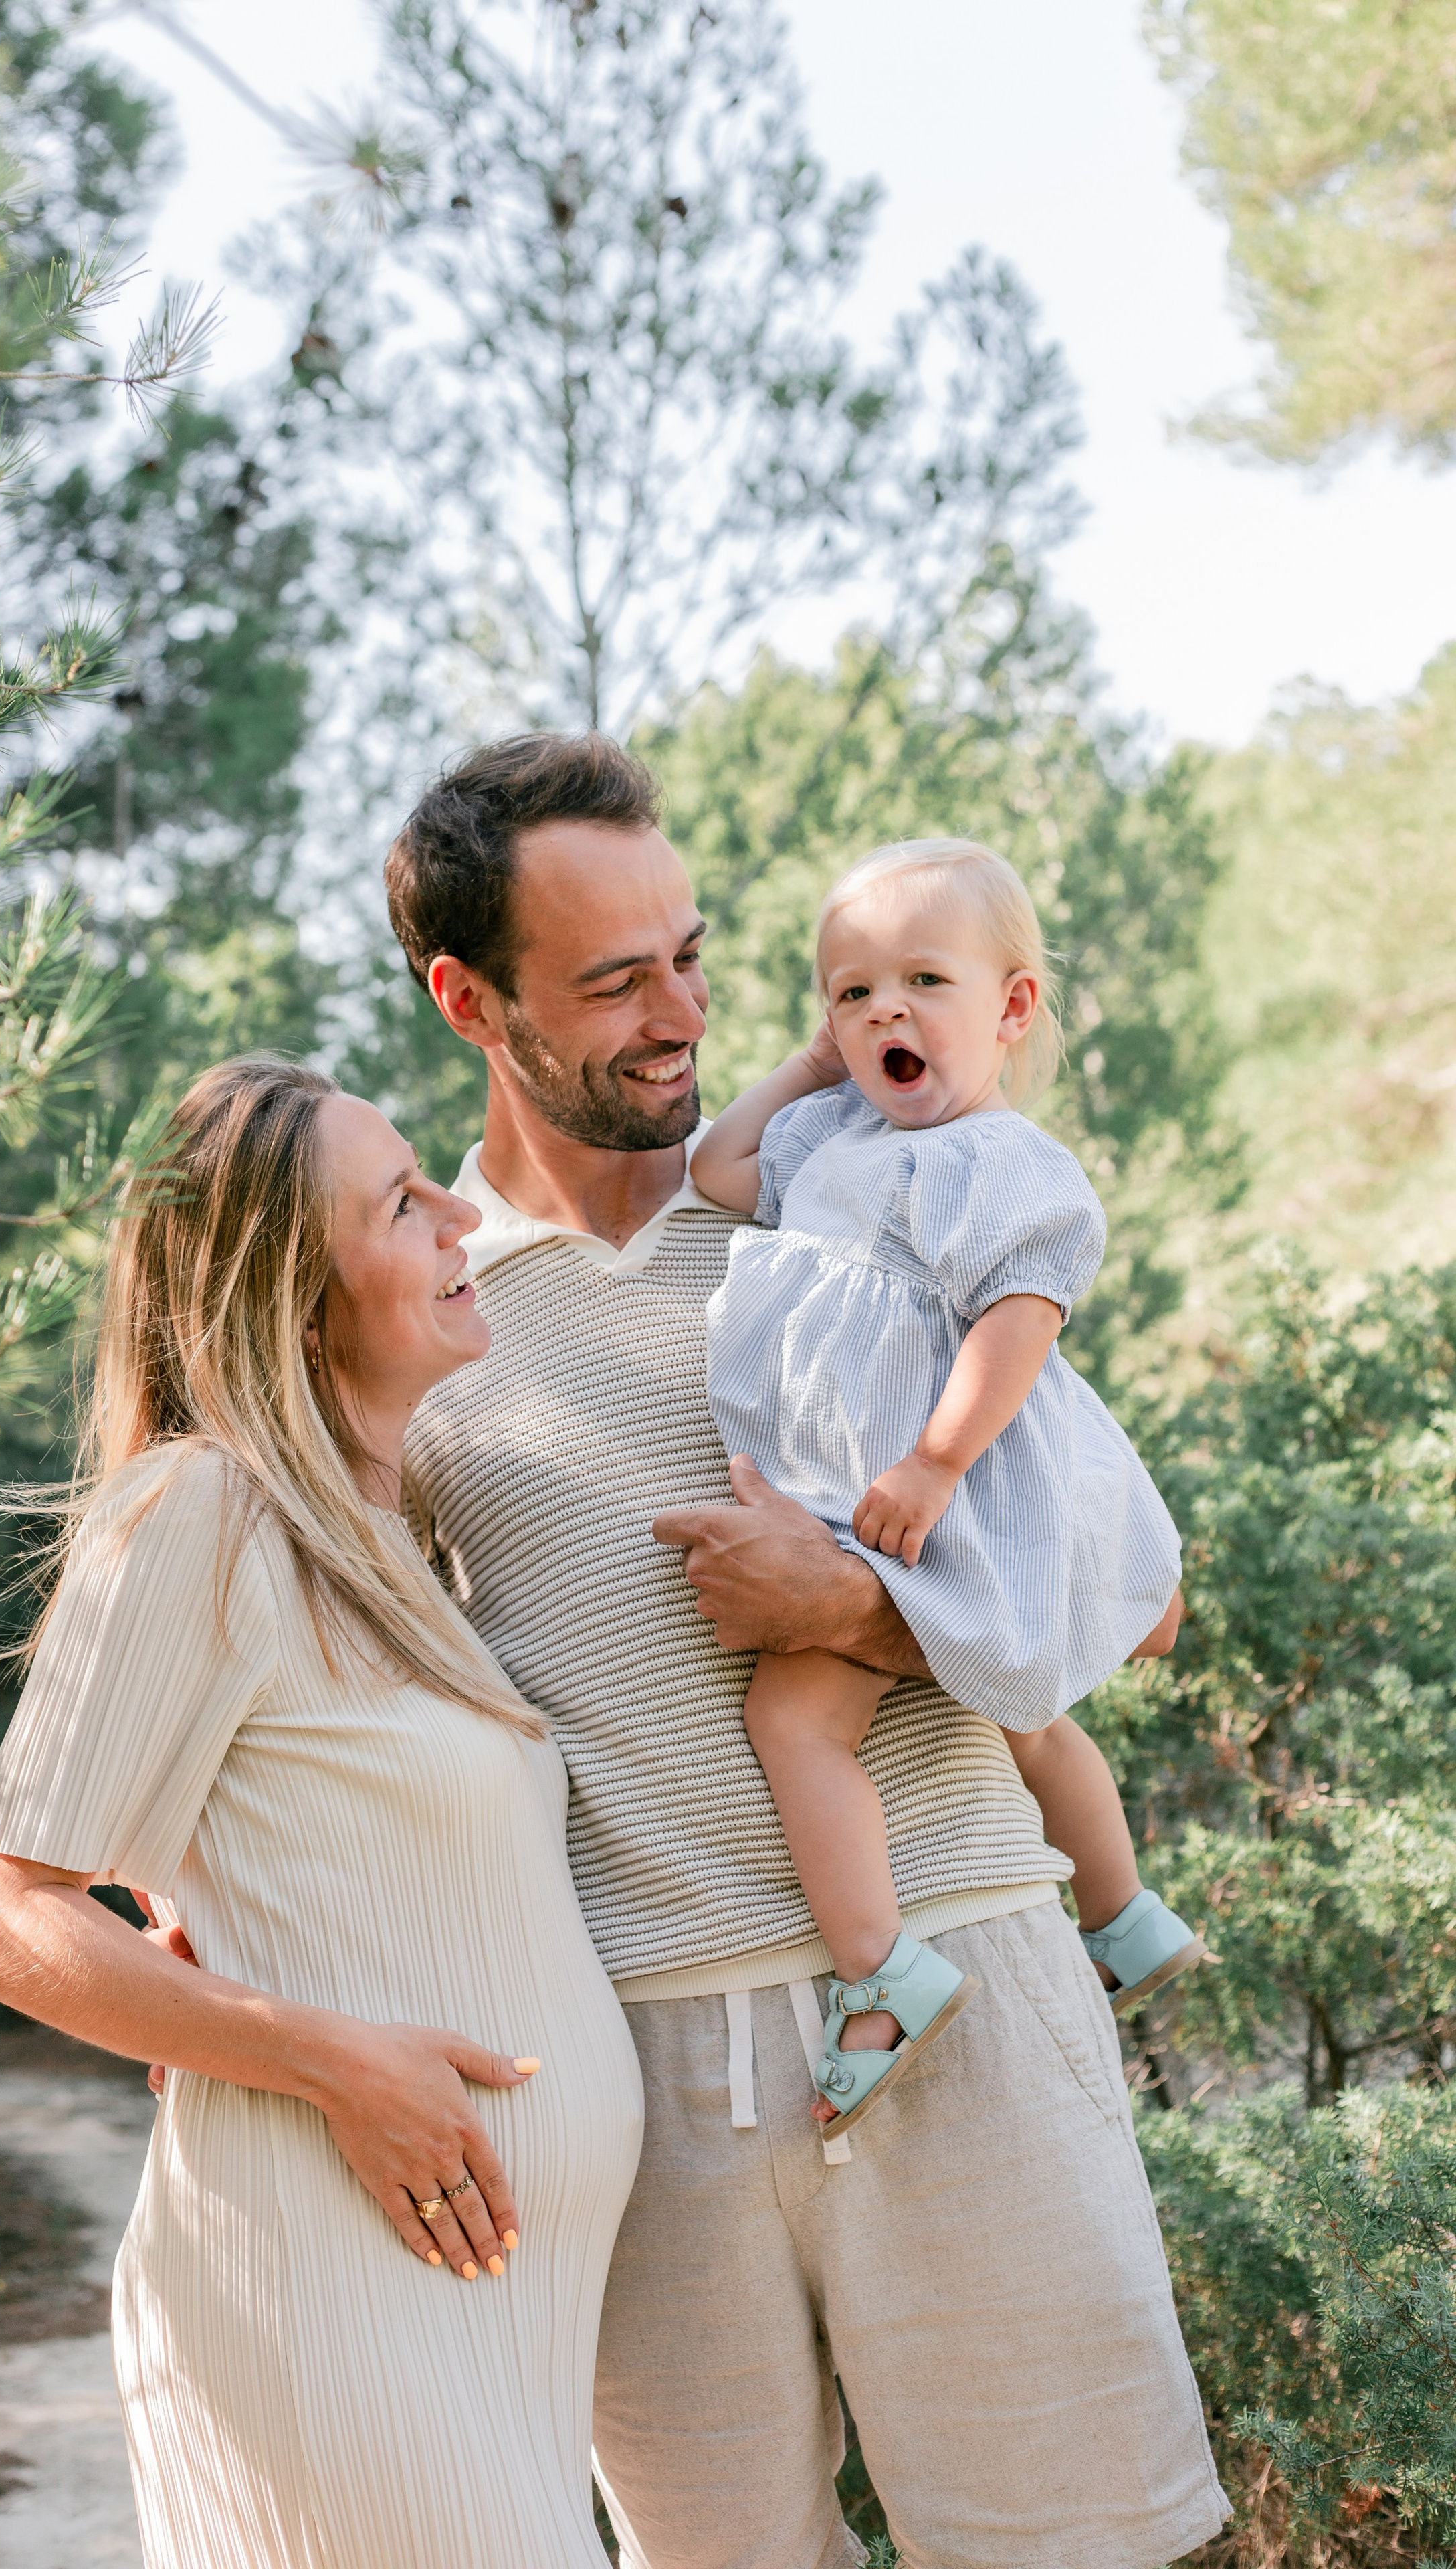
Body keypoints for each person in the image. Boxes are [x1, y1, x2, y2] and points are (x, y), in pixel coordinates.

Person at [390, 732, 1228, 2569]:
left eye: (693, 955)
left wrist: (855, 1607)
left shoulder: (874, 1203)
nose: (682, 1014)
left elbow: (1139, 1602)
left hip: (969, 1980)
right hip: (643, 2075)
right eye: (616, 981)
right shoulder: (416, 1300)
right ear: (470, 997)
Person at [0, 1057, 643, 2569]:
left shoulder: (382, 1540)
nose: (460, 1210)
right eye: (401, 1203)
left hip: (479, 2308)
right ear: (294, 1297)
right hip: (329, 2283)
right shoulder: (199, 1509)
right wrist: (328, 2059)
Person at [690, 836, 1203, 2135]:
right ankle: (1126, 1919)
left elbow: (1014, 1327)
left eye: (923, 979)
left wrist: (933, 1462)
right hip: (862, 1490)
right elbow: (713, 1170)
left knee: (797, 1725)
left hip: (935, 1487)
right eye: (850, 993)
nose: (882, 1014)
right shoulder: (824, 1135)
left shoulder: (1002, 1160)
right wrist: (805, 1067)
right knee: (1021, 1712)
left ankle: (882, 1971)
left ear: (1011, 1006)